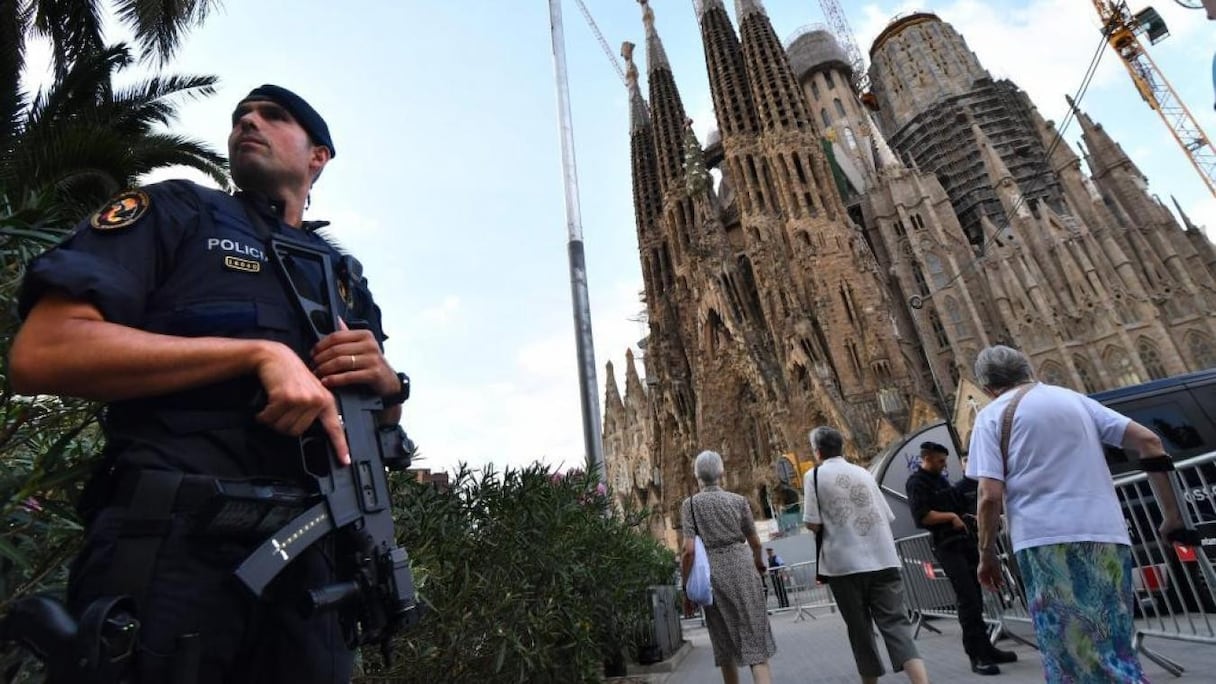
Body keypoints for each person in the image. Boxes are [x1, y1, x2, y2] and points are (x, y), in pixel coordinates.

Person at [9, 85, 411, 684]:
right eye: (240, 116)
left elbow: (379, 435)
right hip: (174, 549)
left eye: (273, 117)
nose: (249, 121)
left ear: (317, 157)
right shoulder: (177, 212)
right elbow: (43, 352)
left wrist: (389, 389)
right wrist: (252, 354)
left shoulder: (344, 279)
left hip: (317, 573)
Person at [967, 345, 1185, 683]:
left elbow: (989, 495)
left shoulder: (991, 415)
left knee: (1069, 657)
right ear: (1028, 369)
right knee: (1114, 649)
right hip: (1108, 537)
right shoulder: (1073, 399)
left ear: (986, 387)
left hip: (1047, 544)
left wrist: (986, 553)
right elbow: (1150, 441)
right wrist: (1171, 515)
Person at [803, 427, 929, 684]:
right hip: (884, 559)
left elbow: (812, 523)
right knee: (897, 627)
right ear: (842, 447)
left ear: (818, 451)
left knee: (860, 631)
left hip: (845, 566)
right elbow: (887, 514)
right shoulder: (863, 472)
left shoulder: (814, 475)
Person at [906, 441, 1016, 675]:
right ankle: (976, 656)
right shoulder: (917, 483)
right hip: (947, 545)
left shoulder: (942, 480)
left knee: (977, 597)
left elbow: (957, 504)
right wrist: (950, 517)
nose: (943, 465)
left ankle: (987, 648)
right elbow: (922, 516)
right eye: (940, 460)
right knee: (967, 598)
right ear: (927, 458)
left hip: (965, 541)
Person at [680, 450, 776, 684]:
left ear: (697, 476)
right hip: (743, 568)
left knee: (724, 644)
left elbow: (689, 550)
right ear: (721, 473)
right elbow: (755, 542)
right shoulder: (738, 501)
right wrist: (758, 561)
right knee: (756, 645)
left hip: (713, 576)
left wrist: (686, 586)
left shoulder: (690, 505)